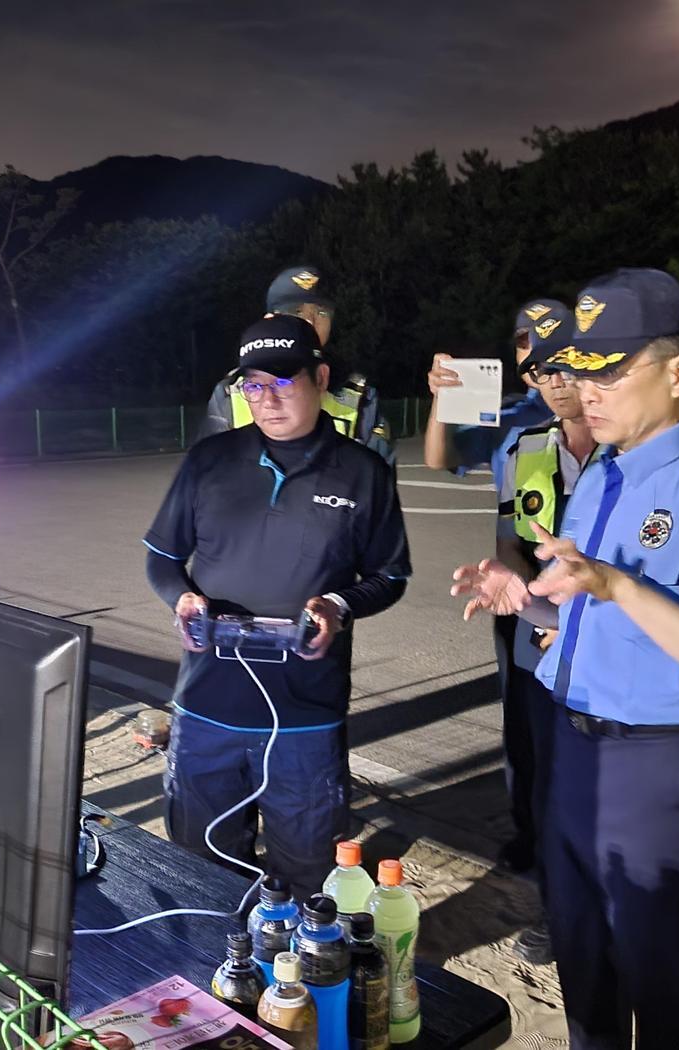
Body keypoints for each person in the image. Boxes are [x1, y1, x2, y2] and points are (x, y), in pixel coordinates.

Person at [451, 269, 679, 1049]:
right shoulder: (604, 474)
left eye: (611, 368)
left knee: (666, 989)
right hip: (572, 753)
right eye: (580, 367)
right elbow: (593, 620)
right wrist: (528, 600)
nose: (587, 387)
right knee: (584, 971)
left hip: (663, 772)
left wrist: (617, 585)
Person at [145, 313, 411, 897]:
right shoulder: (208, 461)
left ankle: (288, 987)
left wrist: (339, 604)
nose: (268, 399)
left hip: (305, 721)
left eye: (284, 381)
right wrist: (181, 597)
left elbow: (391, 575)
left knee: (308, 874)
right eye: (254, 384)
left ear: (320, 377)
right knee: (199, 869)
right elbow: (161, 558)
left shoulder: (363, 472)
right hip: (205, 708)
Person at [456, 304, 599, 963]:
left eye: (565, 362)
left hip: (617, 653)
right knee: (550, 785)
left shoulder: (636, 449)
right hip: (545, 651)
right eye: (540, 370)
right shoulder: (525, 448)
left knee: (619, 793)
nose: (554, 379)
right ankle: (561, 908)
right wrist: (517, 594)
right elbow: (509, 545)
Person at [201, 266, 397, 466]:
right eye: (296, 311)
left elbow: (379, 483)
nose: (310, 321)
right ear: (270, 320)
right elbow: (209, 476)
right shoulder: (230, 393)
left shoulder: (360, 397)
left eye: (321, 312)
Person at [422, 300, 561, 485]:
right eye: (523, 345)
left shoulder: (593, 406)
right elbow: (438, 459)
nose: (533, 354)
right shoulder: (507, 417)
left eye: (545, 342)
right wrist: (442, 396)